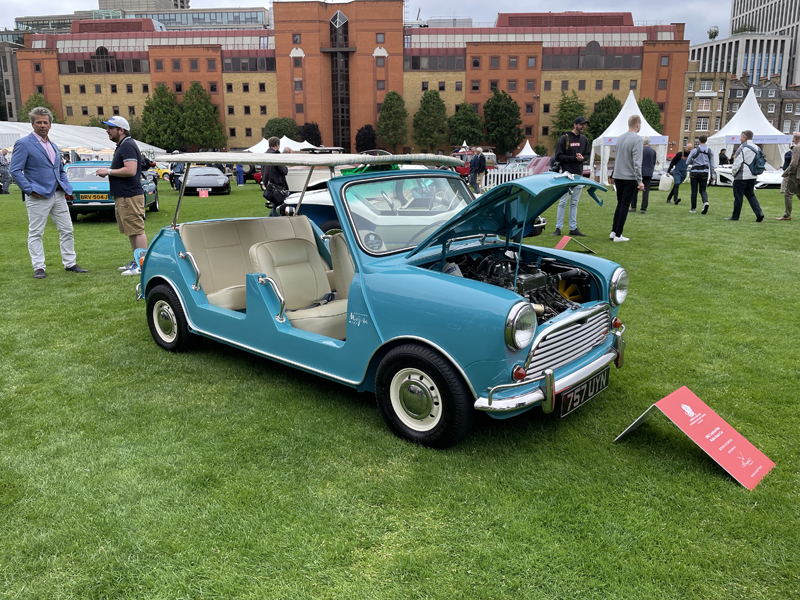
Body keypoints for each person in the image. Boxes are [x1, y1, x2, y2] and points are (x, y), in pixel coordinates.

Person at [9, 106, 88, 279]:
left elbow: (60, 170)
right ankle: (38, 267)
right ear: (33, 124)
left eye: (45, 122)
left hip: (58, 194)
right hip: (38, 195)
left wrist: (67, 187)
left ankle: (70, 263)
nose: (43, 125)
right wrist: (30, 190)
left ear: (50, 124)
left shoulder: (53, 145)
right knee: (36, 232)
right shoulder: (24, 143)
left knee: (67, 229)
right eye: (39, 122)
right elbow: (14, 170)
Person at [95, 116, 148, 276]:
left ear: (121, 130)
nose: (107, 131)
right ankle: (136, 260)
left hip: (130, 195)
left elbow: (131, 170)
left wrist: (108, 171)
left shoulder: (127, 146)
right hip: (124, 195)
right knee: (131, 230)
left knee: (137, 230)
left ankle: (142, 264)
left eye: (111, 128)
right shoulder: (123, 145)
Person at [552, 116, 590, 237]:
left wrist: (583, 158)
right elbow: (558, 156)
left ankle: (573, 228)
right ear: (575, 125)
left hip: (578, 175)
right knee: (562, 202)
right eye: (581, 124)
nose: (583, 126)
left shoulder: (584, 139)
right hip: (566, 174)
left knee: (574, 203)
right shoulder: (565, 138)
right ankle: (558, 228)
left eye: (584, 124)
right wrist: (574, 158)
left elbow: (587, 154)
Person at [609, 115, 644, 242]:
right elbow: (637, 161)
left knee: (620, 204)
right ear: (638, 125)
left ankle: (614, 231)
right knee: (624, 204)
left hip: (618, 175)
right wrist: (640, 181)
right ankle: (618, 234)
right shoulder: (637, 139)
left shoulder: (620, 138)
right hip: (629, 177)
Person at [726, 130, 765, 222]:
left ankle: (735, 216)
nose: (740, 138)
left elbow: (737, 163)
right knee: (751, 195)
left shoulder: (742, 148)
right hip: (753, 176)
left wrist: (733, 173)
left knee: (738, 197)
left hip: (742, 176)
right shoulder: (757, 148)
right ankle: (759, 212)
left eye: (741, 137)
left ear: (745, 137)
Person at [685, 135, 715, 214]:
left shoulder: (695, 150)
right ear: (706, 141)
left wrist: (693, 162)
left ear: (699, 141)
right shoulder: (710, 151)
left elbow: (687, 162)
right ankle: (705, 202)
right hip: (704, 172)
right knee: (703, 190)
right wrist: (713, 176)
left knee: (694, 190)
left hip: (695, 172)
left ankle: (693, 208)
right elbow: (712, 165)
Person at [261, 136, 288, 215]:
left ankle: (270, 220)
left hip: (268, 185)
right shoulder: (276, 155)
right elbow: (284, 170)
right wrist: (286, 167)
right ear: (277, 144)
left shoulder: (265, 155)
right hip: (277, 186)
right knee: (279, 206)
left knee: (275, 206)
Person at [631, 136, 657, 213]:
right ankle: (643, 208)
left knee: (635, 190)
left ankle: (633, 206)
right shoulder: (653, 151)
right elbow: (654, 162)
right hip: (648, 173)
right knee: (646, 191)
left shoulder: (640, 150)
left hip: (639, 172)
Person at [779, 132, 800, 221]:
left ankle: (787, 215)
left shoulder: (797, 148)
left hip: (796, 174)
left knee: (788, 194)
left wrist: (786, 173)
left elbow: (794, 163)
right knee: (799, 194)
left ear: (794, 139)